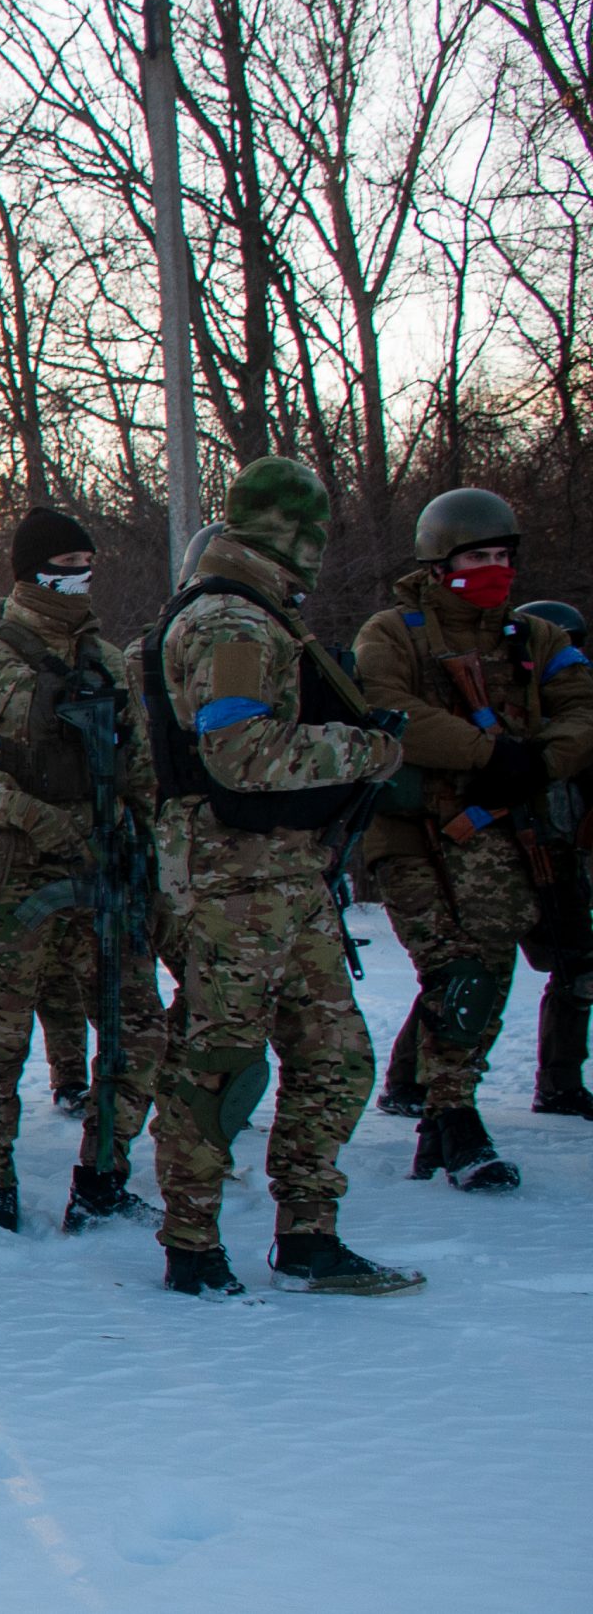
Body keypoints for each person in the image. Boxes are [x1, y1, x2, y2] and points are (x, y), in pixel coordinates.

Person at [141, 459, 418, 1295]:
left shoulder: (259, 617)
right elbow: (238, 753)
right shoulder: (232, 623)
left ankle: (308, 1235)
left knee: (336, 1058)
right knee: (217, 1059)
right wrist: (370, 749)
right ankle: (190, 1244)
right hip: (234, 884)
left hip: (287, 880)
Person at [0, 506, 167, 1232]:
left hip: (100, 877)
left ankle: (104, 1170)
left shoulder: (107, 662)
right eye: (65, 568)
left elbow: (140, 768)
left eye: (88, 566)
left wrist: (141, 842)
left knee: (136, 1028)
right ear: (33, 573)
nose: (79, 581)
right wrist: (29, 812)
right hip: (13, 885)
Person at [351, 489, 593, 1192]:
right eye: (477, 556)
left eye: (502, 557)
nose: (494, 569)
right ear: (439, 559)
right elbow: (391, 709)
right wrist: (489, 755)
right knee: (456, 971)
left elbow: (581, 706)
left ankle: (444, 1118)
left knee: (488, 970)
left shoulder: (535, 638)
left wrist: (542, 759)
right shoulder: (394, 632)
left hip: (502, 836)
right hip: (411, 835)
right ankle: (452, 1115)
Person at [512, 598, 593, 1119]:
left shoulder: (578, 716)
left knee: (578, 967)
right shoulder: (504, 708)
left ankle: (560, 1080)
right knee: (466, 970)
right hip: (501, 847)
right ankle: (415, 1081)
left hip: (560, 853)